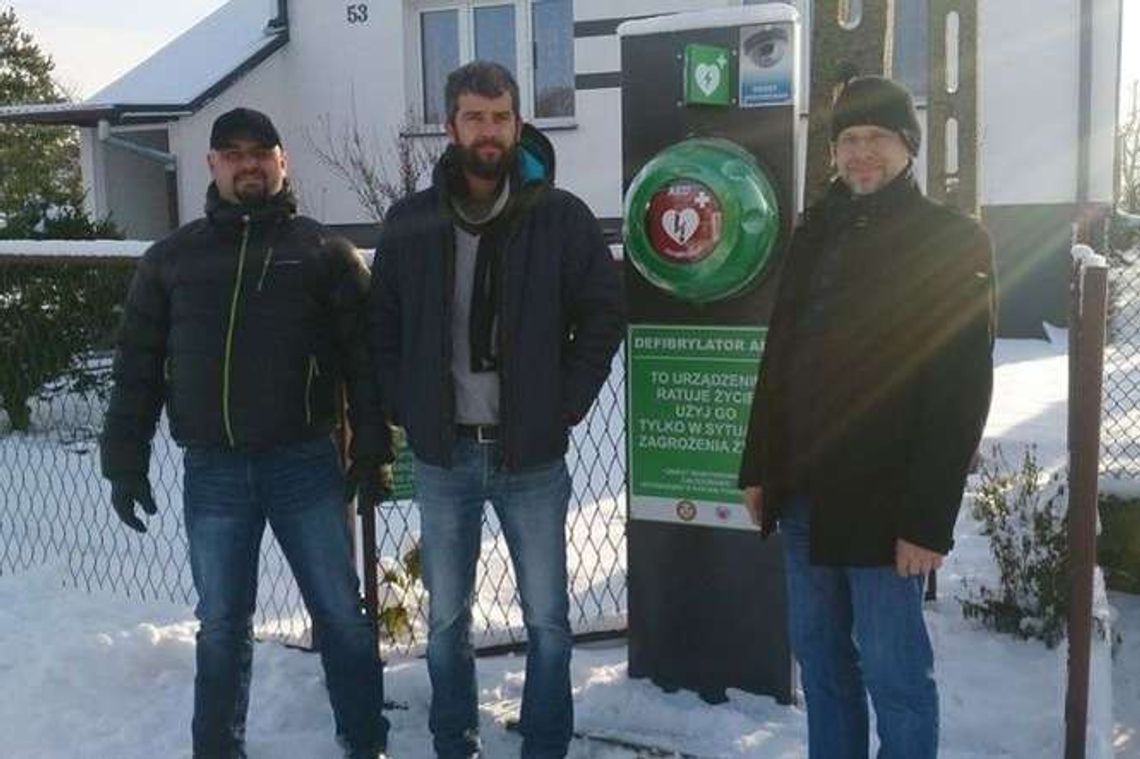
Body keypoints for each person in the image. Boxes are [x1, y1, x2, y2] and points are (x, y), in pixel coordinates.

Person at [99, 107, 393, 759]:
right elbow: (138, 365)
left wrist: (373, 442)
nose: (248, 162)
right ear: (212, 166)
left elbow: (365, 359)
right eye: (232, 153)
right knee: (221, 624)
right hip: (214, 472)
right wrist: (124, 458)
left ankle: (366, 739)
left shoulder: (324, 253)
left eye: (261, 150)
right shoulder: (171, 261)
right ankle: (216, 747)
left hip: (305, 464)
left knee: (340, 613)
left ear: (283, 161)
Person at [369, 61, 625, 759]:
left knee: (548, 618)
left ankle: (545, 741)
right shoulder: (412, 223)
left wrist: (566, 402)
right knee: (446, 620)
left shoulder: (560, 218)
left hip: (531, 454)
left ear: (518, 124)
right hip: (444, 453)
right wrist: (405, 406)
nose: (489, 130)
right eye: (475, 117)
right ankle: (454, 738)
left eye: (501, 116)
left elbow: (605, 312)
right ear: (451, 126)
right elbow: (380, 327)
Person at [738, 76, 996, 759]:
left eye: (877, 137)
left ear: (907, 145)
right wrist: (759, 467)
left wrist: (926, 520)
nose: (861, 153)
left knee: (896, 677)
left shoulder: (952, 241)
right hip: (803, 496)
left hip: (887, 510)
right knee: (822, 667)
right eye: (847, 139)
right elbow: (779, 359)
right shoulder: (814, 232)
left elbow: (960, 393)